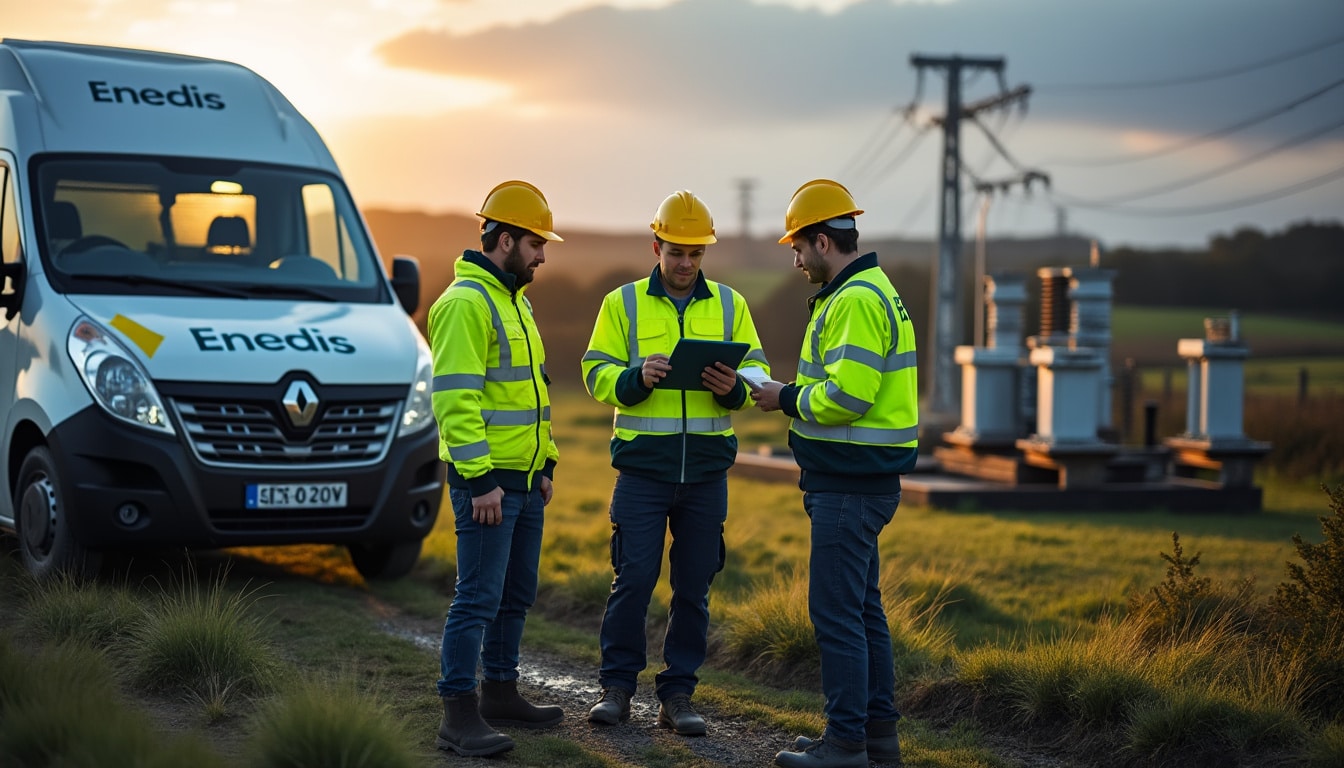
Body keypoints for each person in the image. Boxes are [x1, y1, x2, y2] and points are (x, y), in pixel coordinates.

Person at [580, 190, 770, 736]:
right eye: (676, 252)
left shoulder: (732, 305)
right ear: (656, 244)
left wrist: (735, 388)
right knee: (633, 579)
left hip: (708, 474)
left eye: (695, 254)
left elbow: (756, 369)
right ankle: (616, 689)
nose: (685, 263)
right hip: (642, 472)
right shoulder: (622, 304)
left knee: (694, 588)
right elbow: (594, 371)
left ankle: (678, 697)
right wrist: (634, 378)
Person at [751, 179, 918, 768]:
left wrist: (784, 397)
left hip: (850, 484)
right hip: (859, 481)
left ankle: (845, 744)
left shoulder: (852, 300)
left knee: (836, 615)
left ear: (823, 242)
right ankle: (876, 739)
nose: (794, 260)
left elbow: (849, 395)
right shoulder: (870, 291)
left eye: (798, 247)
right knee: (863, 612)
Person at [428, 180, 566, 757]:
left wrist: (545, 462)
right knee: (477, 598)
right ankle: (458, 716)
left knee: (515, 592)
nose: (542, 255)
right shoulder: (465, 304)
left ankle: (500, 693)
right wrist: (481, 482)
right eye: (536, 244)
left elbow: (529, 392)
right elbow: (455, 401)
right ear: (504, 239)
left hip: (524, 481)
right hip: (487, 487)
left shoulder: (515, 300)